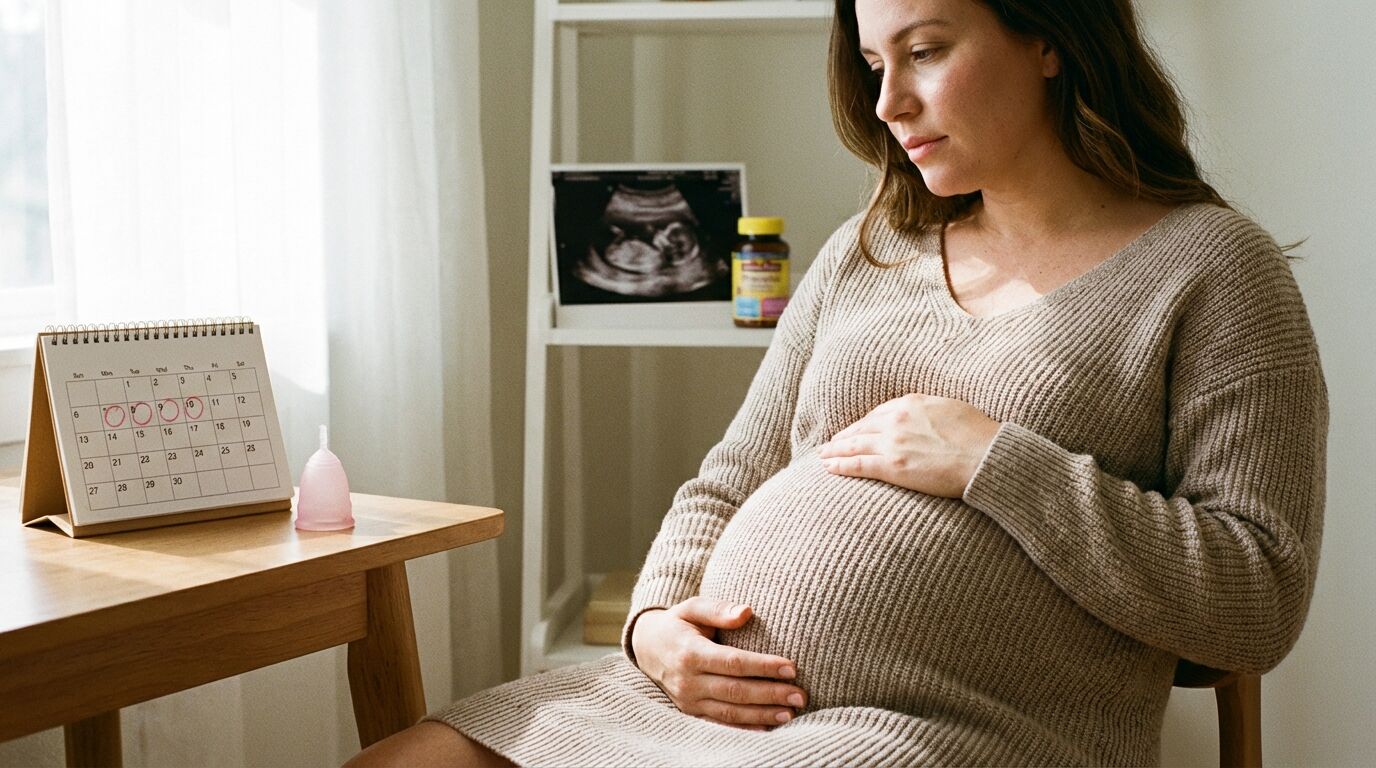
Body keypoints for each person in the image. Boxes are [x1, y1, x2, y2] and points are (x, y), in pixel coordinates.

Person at [348, 0, 1327, 764]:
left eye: (926, 50)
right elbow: (724, 481)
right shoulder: (866, 251)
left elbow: (1257, 595)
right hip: (671, 708)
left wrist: (994, 460)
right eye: (872, 64)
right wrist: (653, 628)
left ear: (1048, 38)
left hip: (937, 736)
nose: (887, 103)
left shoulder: (1209, 269)